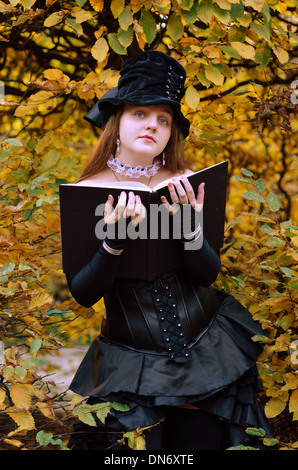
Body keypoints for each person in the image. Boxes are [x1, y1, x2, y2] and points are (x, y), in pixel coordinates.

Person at [64, 51, 272, 450]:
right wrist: (112, 243)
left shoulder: (189, 184)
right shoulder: (86, 193)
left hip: (209, 354)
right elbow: (84, 293)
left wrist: (190, 230)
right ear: (117, 121)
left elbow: (206, 275)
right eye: (140, 114)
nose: (153, 125)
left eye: (164, 119)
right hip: (130, 365)